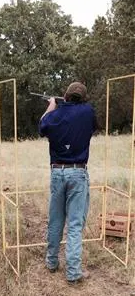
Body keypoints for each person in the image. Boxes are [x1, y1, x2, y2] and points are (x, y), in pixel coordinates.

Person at [39, 82, 97, 283]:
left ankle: (52, 262)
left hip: (57, 172)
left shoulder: (54, 115)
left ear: (66, 95)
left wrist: (52, 104)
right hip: (78, 172)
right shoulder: (88, 111)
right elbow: (91, 126)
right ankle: (73, 273)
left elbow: (42, 125)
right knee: (74, 225)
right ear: (83, 96)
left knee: (55, 220)